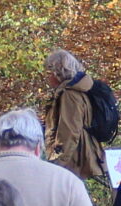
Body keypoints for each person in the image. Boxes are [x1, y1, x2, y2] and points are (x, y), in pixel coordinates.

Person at [41, 49, 108, 182]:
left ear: (58, 72)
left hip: (74, 159)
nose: (48, 77)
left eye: (50, 73)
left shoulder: (69, 94)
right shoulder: (79, 89)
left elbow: (69, 132)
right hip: (79, 155)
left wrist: (58, 163)